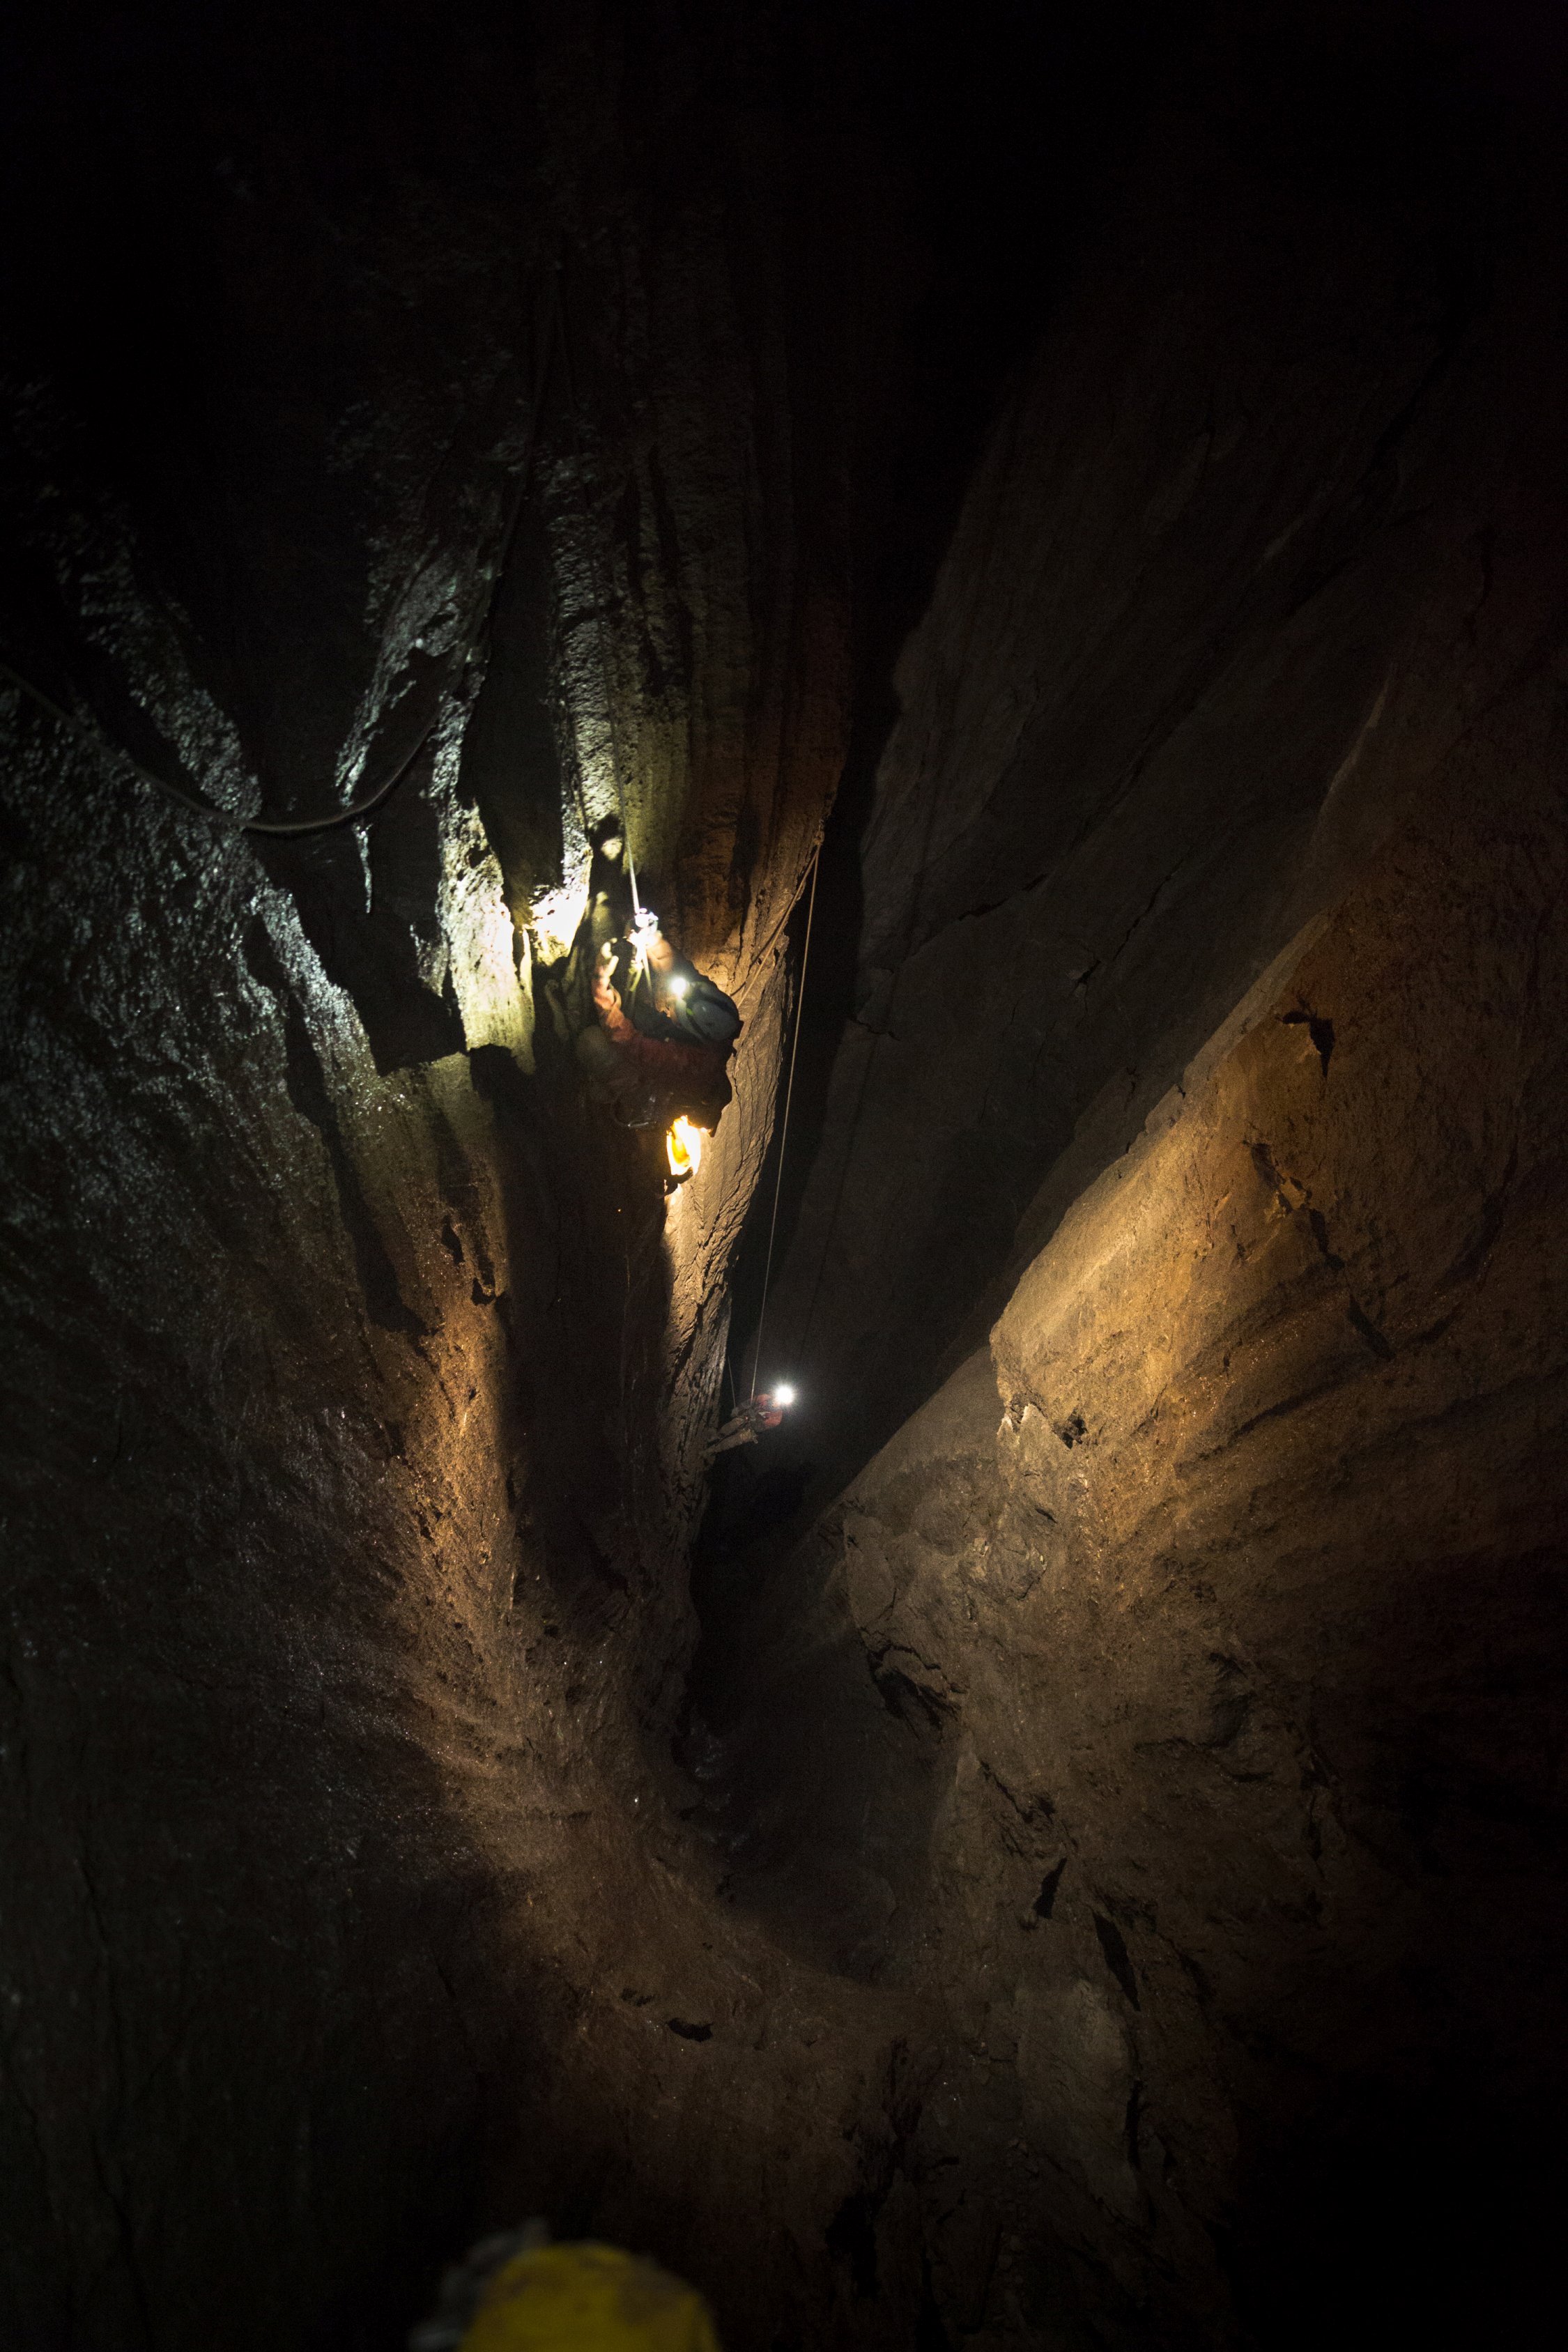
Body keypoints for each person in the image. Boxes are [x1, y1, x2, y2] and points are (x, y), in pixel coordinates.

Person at [576, 916, 740, 1132]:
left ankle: (613, 1095)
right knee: (639, 1014)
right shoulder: (713, 1007)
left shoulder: (684, 1061)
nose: (674, 1001)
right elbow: (678, 967)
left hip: (670, 1082)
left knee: (593, 1043)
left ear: (688, 1028)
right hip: (693, 1064)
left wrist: (601, 981)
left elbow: (625, 1040)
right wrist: (650, 937)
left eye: (678, 1009)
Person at [708, 1390, 787, 1459]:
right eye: (777, 1398)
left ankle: (714, 1450)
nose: (777, 1400)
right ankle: (716, 1437)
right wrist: (738, 1409)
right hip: (746, 1418)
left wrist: (753, 1418)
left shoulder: (777, 1418)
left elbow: (759, 1428)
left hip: (752, 1431)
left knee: (732, 1441)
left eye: (780, 1401)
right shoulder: (765, 1398)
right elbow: (749, 1402)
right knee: (732, 1425)